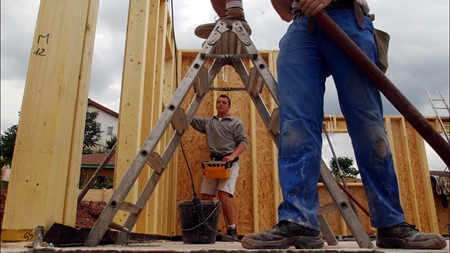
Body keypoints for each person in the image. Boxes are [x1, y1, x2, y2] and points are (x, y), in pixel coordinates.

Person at [241, 0, 447, 250]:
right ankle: (299, 222)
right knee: (295, 127)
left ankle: (391, 223)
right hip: (302, 27)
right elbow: (284, 11)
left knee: (368, 126)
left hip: (349, 18)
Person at [190, 94, 248, 241]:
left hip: (229, 163)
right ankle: (209, 229)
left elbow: (243, 143)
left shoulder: (236, 123)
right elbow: (190, 119)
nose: (221, 104)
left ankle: (232, 230)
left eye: (224, 102)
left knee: (223, 195)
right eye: (219, 102)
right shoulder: (209, 123)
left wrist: (232, 156)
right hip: (213, 164)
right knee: (206, 197)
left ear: (229, 106)